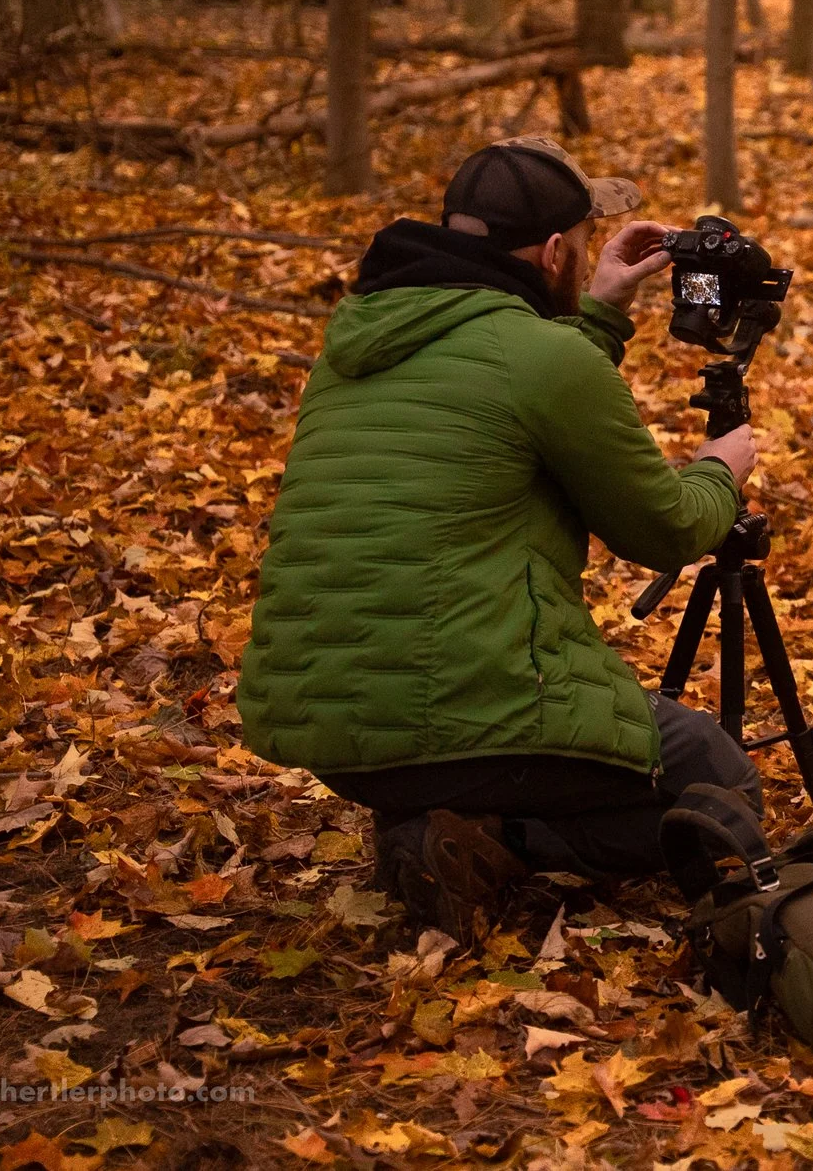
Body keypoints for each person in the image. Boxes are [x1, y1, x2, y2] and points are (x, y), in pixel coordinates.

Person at [240, 137, 762, 933]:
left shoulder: (353, 346)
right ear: (555, 251)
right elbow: (667, 527)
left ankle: (428, 820)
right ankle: (496, 839)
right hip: (456, 709)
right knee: (712, 774)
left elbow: (508, 381)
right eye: (582, 252)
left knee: (486, 724)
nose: (585, 263)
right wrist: (720, 469)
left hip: (325, 723)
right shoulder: (539, 356)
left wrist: (601, 307)